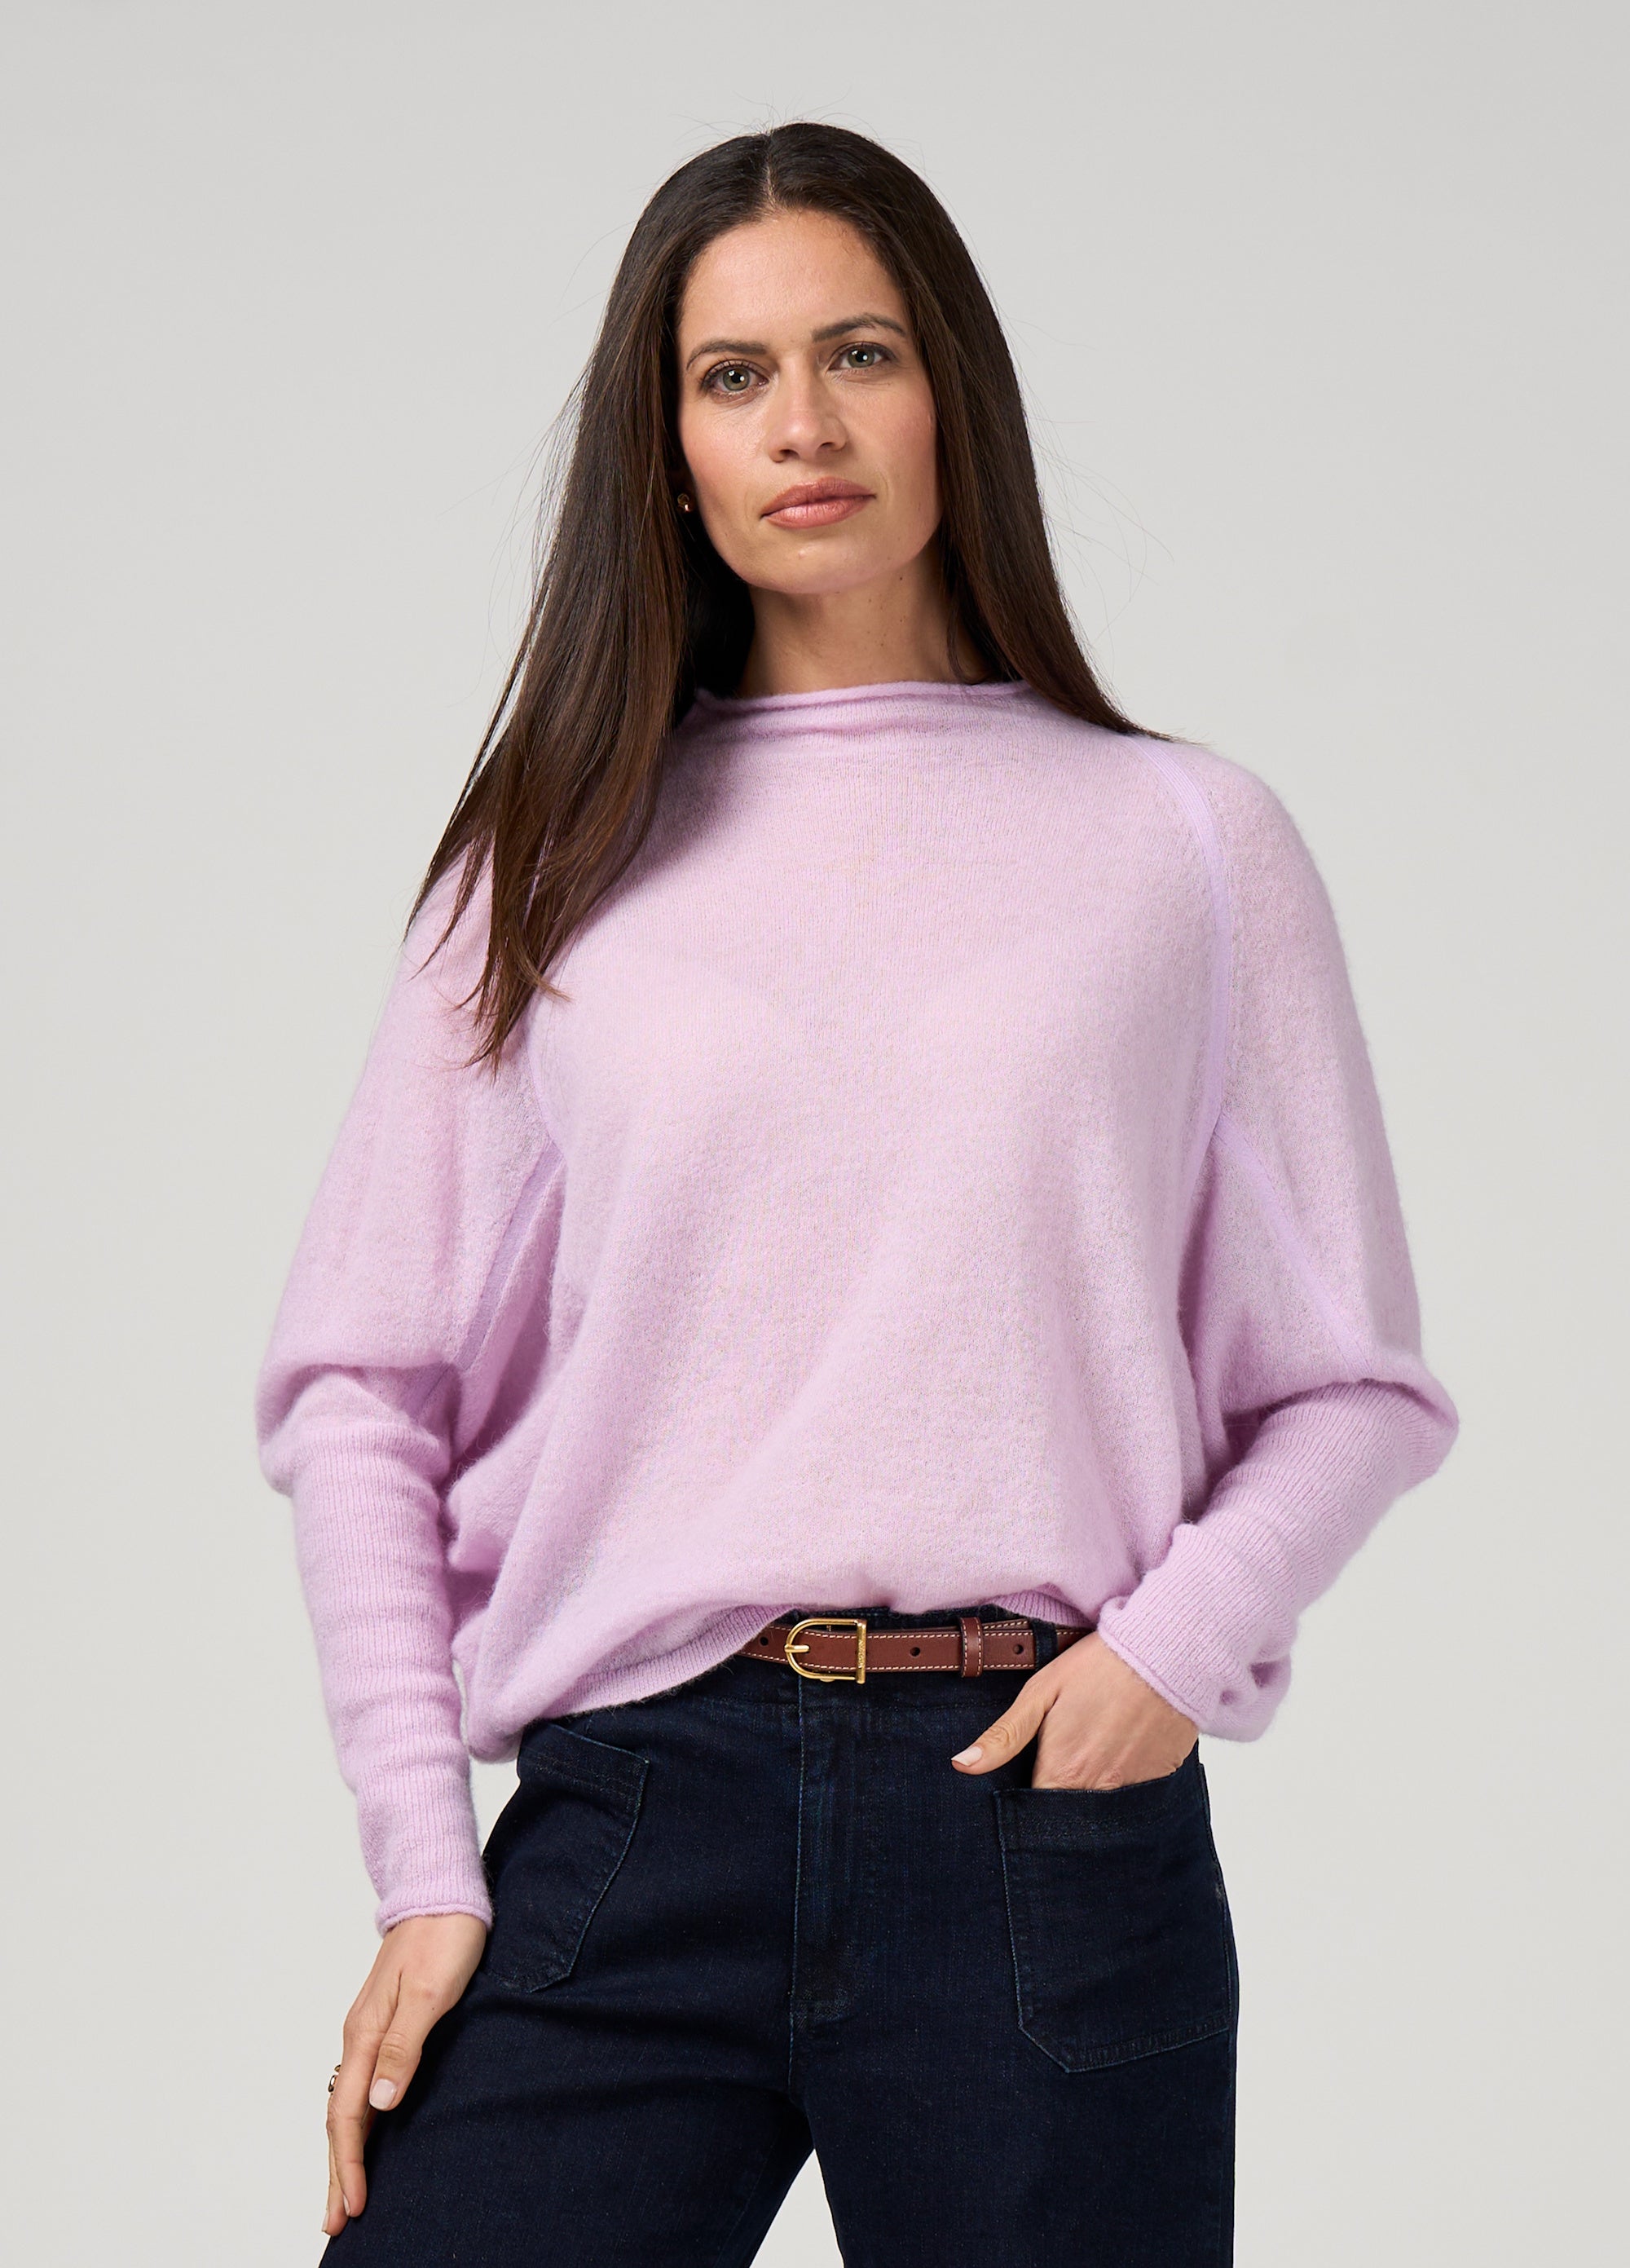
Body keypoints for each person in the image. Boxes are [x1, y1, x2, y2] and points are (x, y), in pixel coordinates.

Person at [255, 121, 1457, 2266]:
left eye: (860, 353)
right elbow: (362, 1392)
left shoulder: (1185, 845)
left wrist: (1170, 1651)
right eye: (733, 376)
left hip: (1034, 1816)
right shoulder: (545, 868)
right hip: (636, 1811)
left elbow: (1352, 1385)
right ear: (668, 456)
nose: (801, 424)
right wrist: (428, 1869)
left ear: (950, 394)